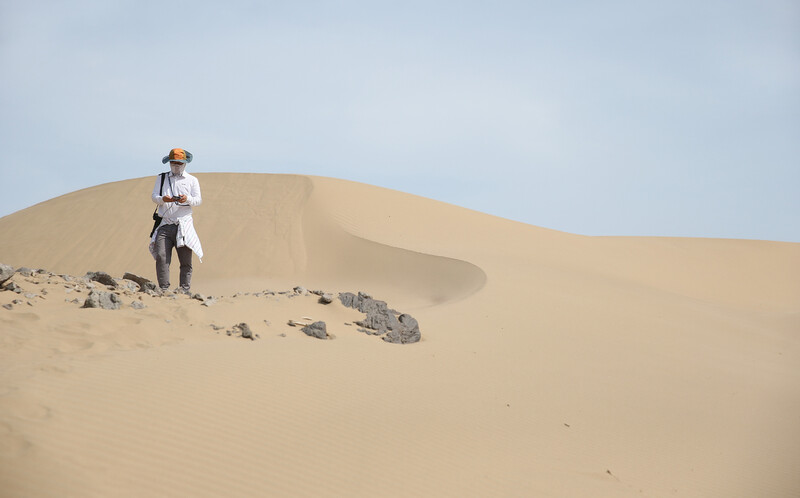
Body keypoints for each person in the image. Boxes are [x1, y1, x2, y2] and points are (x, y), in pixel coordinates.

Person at [149, 148, 203, 293]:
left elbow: (198, 200)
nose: (176, 166)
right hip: (165, 224)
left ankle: (184, 290)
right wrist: (163, 199)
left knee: (185, 260)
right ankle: (164, 289)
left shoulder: (192, 180)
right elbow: (154, 196)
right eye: (173, 163)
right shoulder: (161, 178)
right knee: (161, 256)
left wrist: (187, 199)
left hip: (184, 225)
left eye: (179, 163)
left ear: (184, 164)